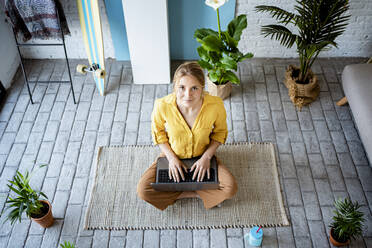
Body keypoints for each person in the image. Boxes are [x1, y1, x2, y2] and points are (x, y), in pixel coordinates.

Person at [137, 62, 237, 210]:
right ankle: (198, 193)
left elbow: (220, 132)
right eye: (182, 88)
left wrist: (207, 157)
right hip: (172, 155)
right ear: (174, 87)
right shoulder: (162, 105)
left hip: (203, 155)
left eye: (194, 88)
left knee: (230, 188)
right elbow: (158, 133)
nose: (187, 95)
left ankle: (181, 192)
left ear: (202, 88)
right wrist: (171, 159)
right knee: (143, 191)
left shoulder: (216, 105)